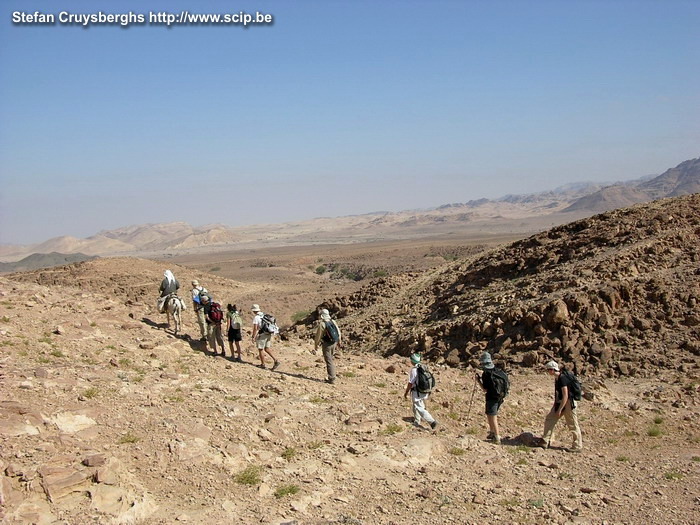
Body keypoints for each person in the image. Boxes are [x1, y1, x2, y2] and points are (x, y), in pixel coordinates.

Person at [541, 360, 583, 452]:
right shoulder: (557, 378)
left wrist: (559, 409)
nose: (548, 372)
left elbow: (565, 395)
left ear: (552, 370)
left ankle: (577, 446)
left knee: (572, 424)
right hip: (561, 402)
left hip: (568, 403)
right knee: (550, 418)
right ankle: (545, 440)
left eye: (548, 370)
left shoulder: (562, 378)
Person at [403, 353, 438, 430]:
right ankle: (417, 421)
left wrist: (406, 392)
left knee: (419, 407)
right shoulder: (423, 367)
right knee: (416, 405)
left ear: (413, 361)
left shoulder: (414, 370)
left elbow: (410, 383)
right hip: (424, 391)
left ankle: (432, 421)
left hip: (417, 391)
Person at [476, 351, 503, 445]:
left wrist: (478, 381)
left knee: (493, 416)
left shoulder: (486, 374)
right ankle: (492, 433)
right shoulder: (497, 370)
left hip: (491, 397)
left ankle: (497, 437)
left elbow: (485, 389)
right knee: (489, 414)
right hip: (500, 396)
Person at [314, 308, 342, 384]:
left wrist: (316, 345)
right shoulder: (333, 321)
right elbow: (338, 332)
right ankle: (332, 375)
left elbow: (318, 336)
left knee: (329, 360)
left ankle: (332, 378)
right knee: (331, 359)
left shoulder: (322, 324)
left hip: (327, 344)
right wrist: (339, 341)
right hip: (334, 342)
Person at [251, 304, 280, 370]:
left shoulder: (256, 317)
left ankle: (263, 364)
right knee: (267, 348)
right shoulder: (264, 315)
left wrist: (253, 336)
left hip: (262, 335)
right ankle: (276, 360)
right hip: (268, 333)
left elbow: (255, 328)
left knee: (260, 349)